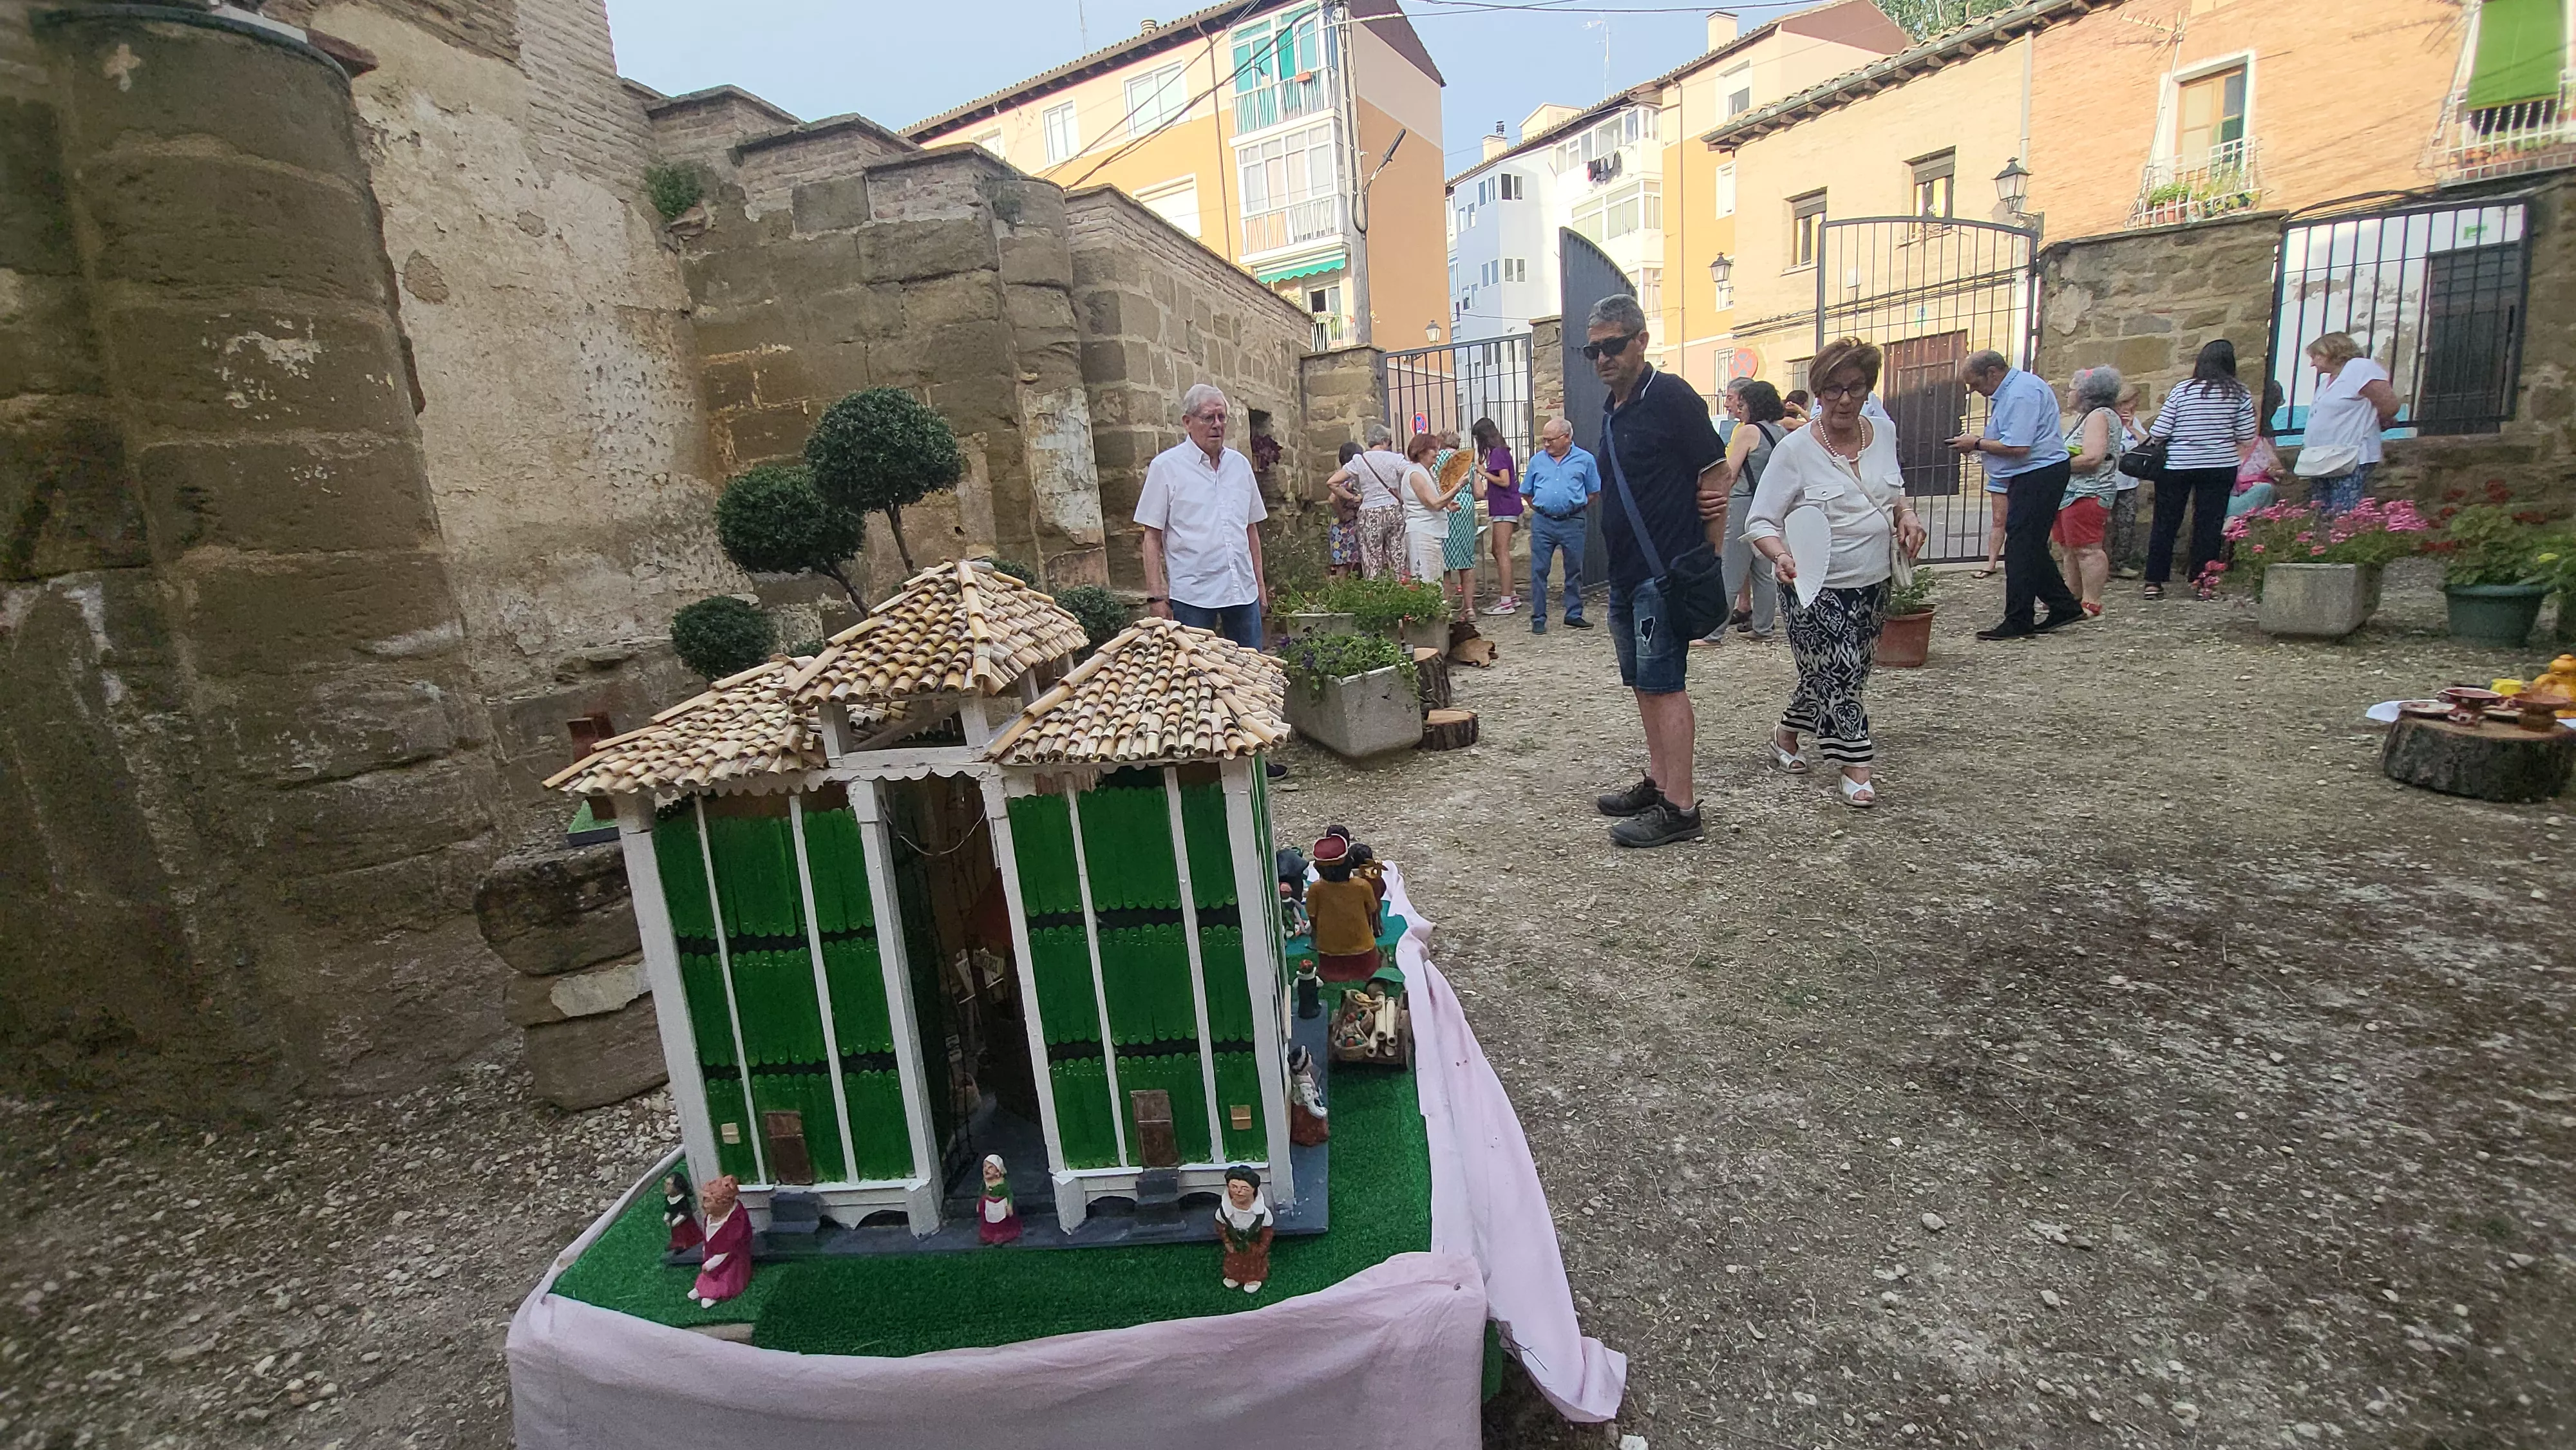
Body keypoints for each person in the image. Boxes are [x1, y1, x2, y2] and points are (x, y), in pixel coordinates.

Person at [1743, 337, 1925, 809]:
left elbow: (1894, 491)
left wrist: (1907, 517)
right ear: (1817, 393)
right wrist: (1778, 554)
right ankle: (1856, 766)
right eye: (1833, 389)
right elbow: (1760, 520)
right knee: (1840, 673)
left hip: (1873, 580)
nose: (1844, 399)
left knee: (1843, 672)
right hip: (1813, 585)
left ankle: (1785, 736)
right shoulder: (1795, 449)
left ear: (1868, 390)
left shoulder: (1881, 434)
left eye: (1856, 388)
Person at [1584, 293, 1726, 849]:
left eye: (1612, 346)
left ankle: (1681, 808)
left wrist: (1705, 557)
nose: (1602, 359)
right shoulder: (1614, 407)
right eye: (1593, 350)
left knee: (1666, 685)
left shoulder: (1669, 396)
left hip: (1663, 570)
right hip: (1626, 573)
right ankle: (1662, 782)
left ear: (1641, 341)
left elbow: (1714, 472)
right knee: (1644, 683)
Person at [1953, 349, 2080, 640]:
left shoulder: (2020, 393)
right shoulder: (2020, 389)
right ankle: (2063, 605)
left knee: (2021, 547)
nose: (1976, 391)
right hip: (2035, 471)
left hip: (2039, 471)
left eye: (1976, 384)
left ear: (1993, 373)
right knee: (2030, 544)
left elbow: (2019, 446)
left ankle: (2020, 618)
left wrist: (1977, 443)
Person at [1136, 382, 1269, 648]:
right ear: (1187, 422)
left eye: (1222, 417)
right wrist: (1157, 597)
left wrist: (1260, 586)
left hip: (1241, 591)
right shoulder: (1166, 468)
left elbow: (1250, 529)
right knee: (1196, 678)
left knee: (1253, 674)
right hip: (1193, 596)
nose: (1217, 425)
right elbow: (1151, 537)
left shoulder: (1240, 465)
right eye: (1208, 417)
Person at [2143, 339, 2259, 601]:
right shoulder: (2240, 393)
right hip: (2219, 465)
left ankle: (2154, 581)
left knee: (2165, 522)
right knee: (2209, 524)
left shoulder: (2183, 390)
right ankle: (2202, 582)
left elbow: (2159, 431)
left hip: (2177, 465)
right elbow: (2247, 435)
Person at [1712, 378, 1790, 643]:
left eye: (1742, 403)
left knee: (1730, 568)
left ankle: (1713, 632)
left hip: (1743, 502)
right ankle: (1764, 628)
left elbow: (1730, 473)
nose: (1740, 408)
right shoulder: (1781, 432)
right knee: (1764, 569)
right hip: (1769, 505)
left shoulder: (1747, 432)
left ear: (1753, 404)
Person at [2300, 331, 2400, 515]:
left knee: (2343, 513)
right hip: (2322, 458)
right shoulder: (2328, 382)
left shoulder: (2359, 368)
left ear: (2331, 351)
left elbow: (2389, 404)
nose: (2312, 363)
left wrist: (2379, 419)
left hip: (2350, 456)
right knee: (2321, 512)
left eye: (2316, 356)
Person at [2055, 365, 2126, 619]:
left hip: (2087, 492)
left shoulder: (2099, 416)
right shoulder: (2090, 417)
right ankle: (2072, 596)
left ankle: (2091, 602)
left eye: (2072, 388)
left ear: (2086, 393)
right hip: (2072, 494)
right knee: (2070, 548)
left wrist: (2055, 465)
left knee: (2087, 549)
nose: (2068, 393)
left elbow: (2093, 457)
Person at [1520, 415, 1598, 634]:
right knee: (1539, 571)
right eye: (1544, 440)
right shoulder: (1537, 460)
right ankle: (1538, 617)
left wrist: (1574, 508)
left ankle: (1574, 614)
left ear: (1566, 438)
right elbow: (1526, 492)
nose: (1546, 444)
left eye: (1550, 440)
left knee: (1574, 569)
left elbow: (1593, 492)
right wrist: (1542, 508)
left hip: (1573, 521)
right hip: (1543, 522)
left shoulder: (1585, 460)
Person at [1345, 424, 1410, 580]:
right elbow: (1412, 474)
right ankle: (1399, 592)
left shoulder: (1359, 460)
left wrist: (1353, 498)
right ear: (1384, 441)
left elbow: (1332, 482)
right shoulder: (1396, 459)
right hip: (1393, 510)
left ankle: (1375, 595)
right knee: (1397, 556)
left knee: (1372, 558)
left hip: (1369, 512)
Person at [1475, 417, 1523, 614]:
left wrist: (1482, 472)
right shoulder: (1500, 452)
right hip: (1502, 507)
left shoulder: (1498, 453)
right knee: (1497, 550)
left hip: (1505, 508)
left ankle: (1506, 601)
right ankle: (1510, 594)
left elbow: (1504, 481)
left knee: (1501, 551)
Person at [1399, 431, 1459, 585]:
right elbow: (1434, 504)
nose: (1437, 453)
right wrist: (1458, 487)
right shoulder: (1415, 474)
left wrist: (1449, 503)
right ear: (1421, 451)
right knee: (1427, 582)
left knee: (1435, 579)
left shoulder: (1428, 472)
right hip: (1422, 533)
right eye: (1433, 449)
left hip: (1432, 532)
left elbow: (1437, 499)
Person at [1439, 430, 1482, 622]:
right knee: (1466, 560)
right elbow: (1479, 493)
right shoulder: (1466, 460)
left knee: (1445, 564)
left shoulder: (1436, 459)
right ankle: (1470, 608)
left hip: (1445, 506)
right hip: (1465, 508)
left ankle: (1446, 607)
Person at [2108, 381, 2151, 578]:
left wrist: (2132, 427)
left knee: (2126, 522)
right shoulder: (2106, 420)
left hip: (2128, 481)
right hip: (2108, 480)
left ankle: (2120, 563)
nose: (2132, 406)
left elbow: (2148, 444)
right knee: (2101, 525)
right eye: (2130, 402)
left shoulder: (2134, 422)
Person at [688, 1174, 751, 1306]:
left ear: (723, 1203)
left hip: (731, 1259)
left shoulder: (736, 1221)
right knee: (707, 1273)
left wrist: (711, 1264)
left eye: (707, 1201)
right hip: (713, 1254)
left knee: (723, 1274)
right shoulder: (711, 1217)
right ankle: (702, 1288)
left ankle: (715, 1294)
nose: (703, 1205)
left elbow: (729, 1248)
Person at [1215, 1165, 1274, 1294]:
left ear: (1253, 1190)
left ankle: (1253, 1279)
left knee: (1253, 1262)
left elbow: (1268, 1231)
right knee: (1234, 1260)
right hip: (1235, 1242)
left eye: (1244, 1188)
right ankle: (1234, 1276)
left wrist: (1262, 1248)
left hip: (1253, 1243)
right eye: (1234, 1187)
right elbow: (1221, 1226)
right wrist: (1227, 1242)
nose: (1239, 1192)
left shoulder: (1261, 1213)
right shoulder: (1225, 1211)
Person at [1322, 440, 1364, 579]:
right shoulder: (1347, 478)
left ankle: (1342, 596)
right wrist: (1343, 515)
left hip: (1341, 527)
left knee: (1345, 564)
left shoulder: (1340, 475)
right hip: (1347, 525)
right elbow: (1333, 499)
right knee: (1347, 567)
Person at [978, 1154, 1022, 1246]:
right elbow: (981, 1192)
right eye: (985, 1166)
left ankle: (1001, 1235)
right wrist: (979, 1203)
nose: (986, 1169)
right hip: (989, 1205)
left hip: (1000, 1204)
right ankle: (989, 1235)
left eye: (990, 1168)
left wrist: (1009, 1205)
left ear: (998, 1171)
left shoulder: (1003, 1183)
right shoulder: (985, 1182)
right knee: (989, 1220)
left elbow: (1009, 1194)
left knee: (1001, 1221)